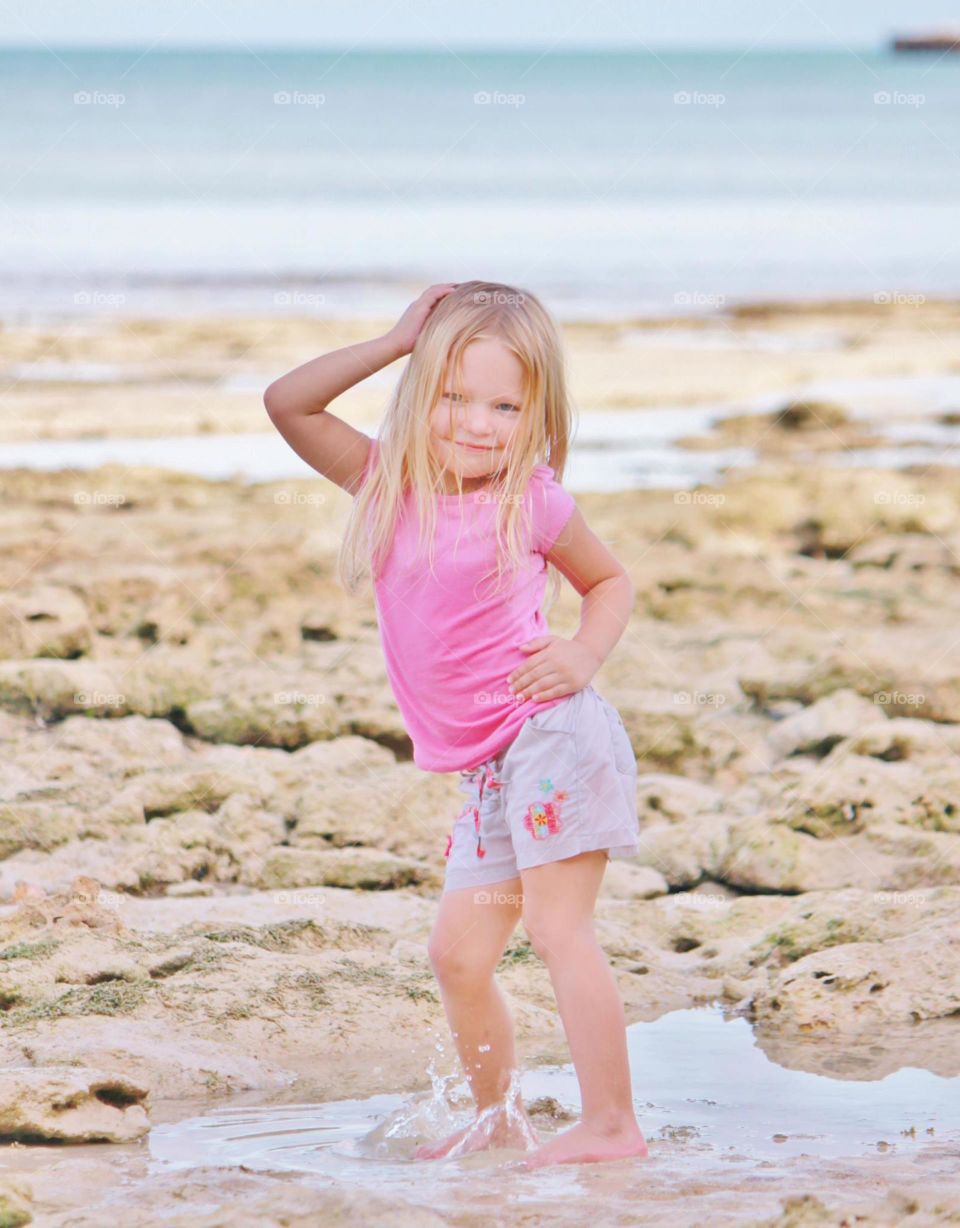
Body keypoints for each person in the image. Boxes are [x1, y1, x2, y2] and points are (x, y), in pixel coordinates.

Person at [264, 281, 648, 1169]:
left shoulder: (535, 502)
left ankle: (611, 1124)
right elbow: (288, 401)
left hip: (551, 738)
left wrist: (584, 656)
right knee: (459, 955)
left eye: (506, 405)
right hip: (488, 771)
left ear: (538, 412)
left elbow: (611, 582)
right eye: (454, 396)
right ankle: (500, 1116)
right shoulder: (385, 483)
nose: (478, 423)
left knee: (559, 931)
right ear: (420, 389)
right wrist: (401, 338)